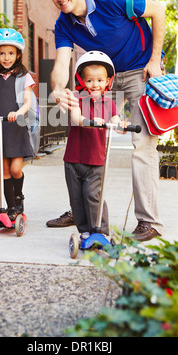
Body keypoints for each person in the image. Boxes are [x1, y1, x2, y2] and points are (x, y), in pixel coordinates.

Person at [43, 0, 166, 242]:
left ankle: (149, 222)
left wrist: (155, 60)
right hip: (99, 80)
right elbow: (62, 62)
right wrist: (56, 89)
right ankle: (85, 210)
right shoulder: (64, 24)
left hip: (137, 71)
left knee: (142, 144)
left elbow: (158, 9)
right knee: (83, 135)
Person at [64, 51, 125, 239]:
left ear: (108, 81)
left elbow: (116, 121)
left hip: (96, 160)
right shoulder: (76, 98)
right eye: (89, 80)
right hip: (73, 159)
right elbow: (76, 118)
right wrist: (91, 120)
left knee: (93, 196)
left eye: (100, 80)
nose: (95, 84)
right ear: (82, 81)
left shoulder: (109, 103)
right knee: (77, 199)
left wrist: (121, 125)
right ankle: (84, 232)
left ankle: (101, 232)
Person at [0, 28, 35, 220]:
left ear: (18, 54)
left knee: (15, 169)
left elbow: (27, 101)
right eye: (2, 53)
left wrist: (18, 113)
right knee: (4, 171)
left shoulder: (23, 77)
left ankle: (19, 200)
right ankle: (10, 209)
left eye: (11, 53)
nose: (6, 57)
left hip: (15, 128)